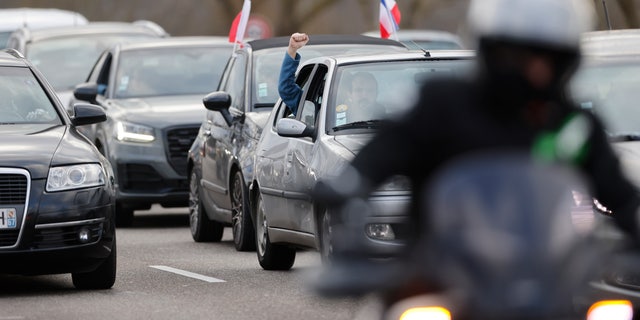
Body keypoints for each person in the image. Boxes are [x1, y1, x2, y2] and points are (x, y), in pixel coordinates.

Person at [311, 0, 640, 308]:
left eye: (549, 60)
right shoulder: (444, 106)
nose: (536, 72)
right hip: (444, 278)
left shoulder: (572, 125)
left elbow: (621, 197)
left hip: (549, 284)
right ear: (493, 51)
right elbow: (385, 151)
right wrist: (349, 184)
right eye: (520, 58)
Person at [278, 33, 386, 121]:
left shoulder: (390, 120)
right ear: (349, 93)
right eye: (359, 90)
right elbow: (286, 89)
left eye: (370, 91)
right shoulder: (325, 115)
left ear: (377, 93)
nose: (364, 95)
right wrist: (292, 50)